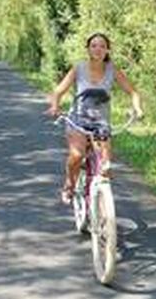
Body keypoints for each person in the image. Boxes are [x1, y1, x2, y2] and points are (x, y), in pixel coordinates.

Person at [46, 32, 143, 204]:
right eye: (94, 46)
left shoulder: (112, 70)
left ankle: (101, 206)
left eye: (102, 46)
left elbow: (133, 92)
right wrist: (55, 106)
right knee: (76, 155)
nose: (98, 49)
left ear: (107, 50)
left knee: (106, 167)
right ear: (88, 49)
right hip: (78, 120)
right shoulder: (79, 68)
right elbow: (58, 91)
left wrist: (137, 108)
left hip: (101, 123)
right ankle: (69, 185)